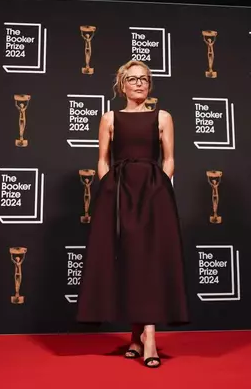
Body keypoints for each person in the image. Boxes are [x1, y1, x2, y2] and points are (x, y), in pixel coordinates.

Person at [76, 60, 189, 368]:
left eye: (144, 79)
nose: (139, 83)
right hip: (118, 195)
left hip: (154, 195)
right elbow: (102, 160)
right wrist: (109, 190)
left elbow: (170, 160)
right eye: (133, 79)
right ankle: (135, 337)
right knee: (129, 260)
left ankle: (149, 339)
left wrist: (159, 188)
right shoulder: (109, 118)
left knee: (149, 261)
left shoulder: (163, 117)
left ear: (149, 85)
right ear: (122, 85)